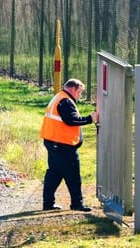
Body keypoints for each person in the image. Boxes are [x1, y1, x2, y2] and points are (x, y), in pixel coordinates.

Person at [40, 78, 98, 212]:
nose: (80, 95)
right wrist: (90, 119)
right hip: (63, 145)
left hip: (53, 141)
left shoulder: (59, 97)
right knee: (73, 176)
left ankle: (48, 203)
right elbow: (71, 120)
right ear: (73, 89)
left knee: (54, 174)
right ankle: (77, 204)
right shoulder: (65, 101)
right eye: (80, 92)